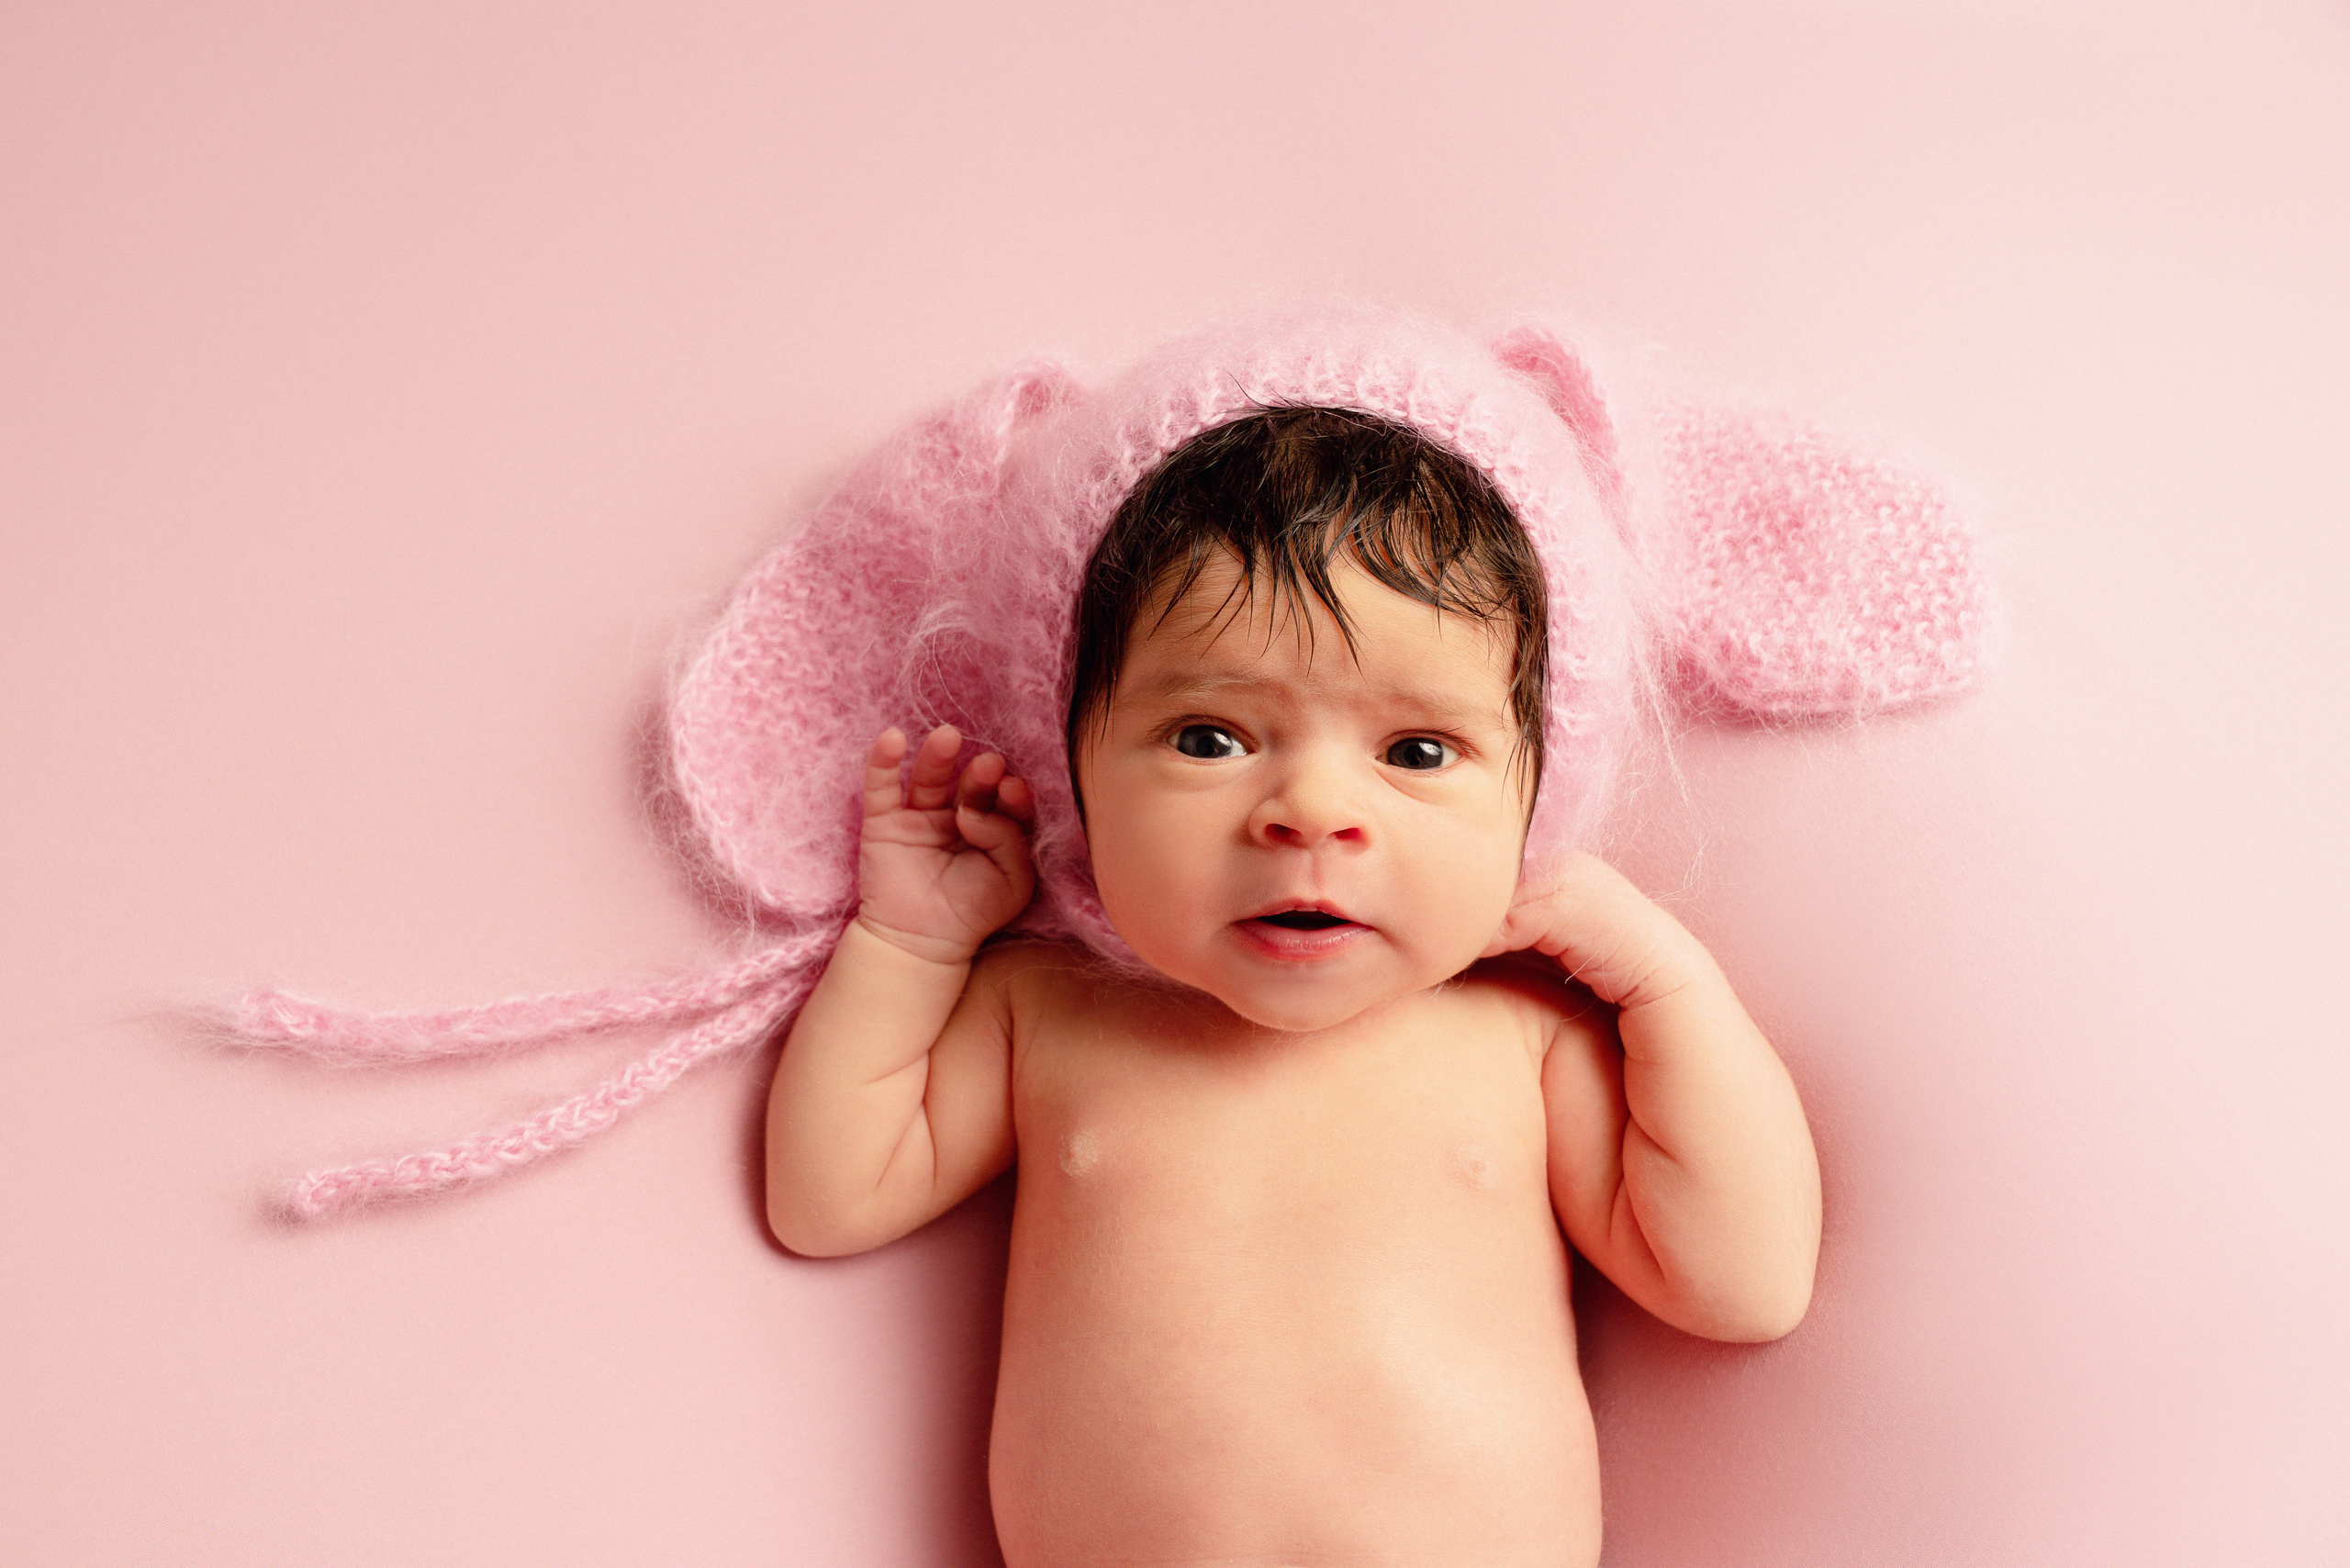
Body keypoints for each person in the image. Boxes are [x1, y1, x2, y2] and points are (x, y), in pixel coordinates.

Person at [767, 407, 1822, 1568]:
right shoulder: (1048, 1013)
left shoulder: (1521, 1036)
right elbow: (829, 1194)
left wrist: (1661, 978)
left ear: (1537, 797)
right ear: (1073, 773)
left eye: (1417, 751)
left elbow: (1741, 1284)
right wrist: (912, 947)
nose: (1311, 810)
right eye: (1210, 737)